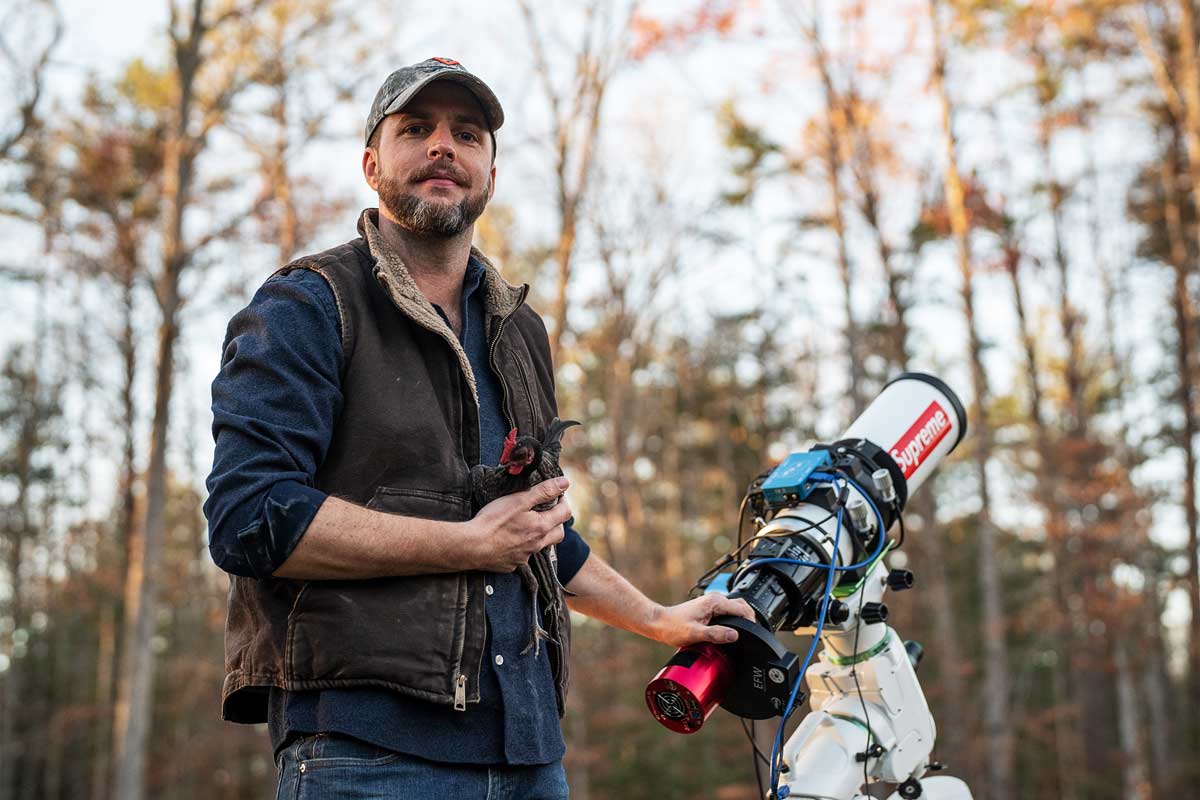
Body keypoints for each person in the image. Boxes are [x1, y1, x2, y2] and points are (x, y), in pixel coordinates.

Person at [204, 57, 753, 799]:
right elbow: (250, 518)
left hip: (529, 753)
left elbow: (536, 534)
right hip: (365, 753)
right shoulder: (307, 306)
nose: (443, 147)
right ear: (372, 164)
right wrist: (466, 544)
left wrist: (658, 619)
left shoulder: (519, 329)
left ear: (489, 176)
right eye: (416, 129)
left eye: (467, 133)